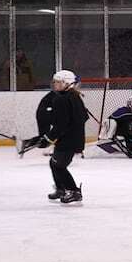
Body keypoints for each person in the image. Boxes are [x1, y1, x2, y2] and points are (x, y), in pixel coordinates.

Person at [43, 70, 88, 204]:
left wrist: (49, 138)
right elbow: (83, 117)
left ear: (66, 83)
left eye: (57, 82)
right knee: (54, 163)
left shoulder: (62, 99)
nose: (55, 84)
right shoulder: (73, 96)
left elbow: (60, 124)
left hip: (68, 140)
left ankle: (74, 191)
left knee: (59, 166)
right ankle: (61, 189)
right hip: (72, 138)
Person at [16, 77, 61, 157]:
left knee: (47, 137)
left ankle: (26, 142)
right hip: (44, 115)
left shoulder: (56, 95)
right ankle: (57, 148)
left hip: (44, 114)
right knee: (48, 138)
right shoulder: (56, 96)